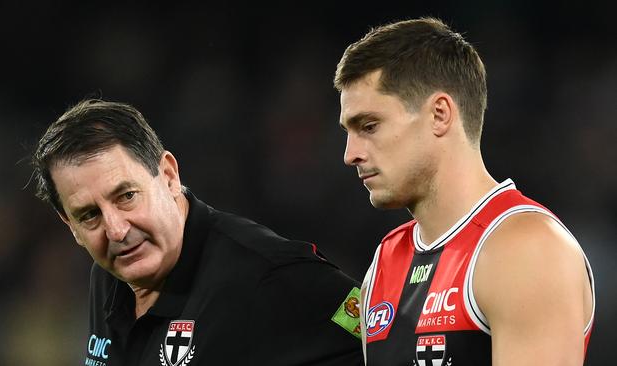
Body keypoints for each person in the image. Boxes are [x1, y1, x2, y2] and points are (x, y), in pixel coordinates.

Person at [334, 18, 595, 365]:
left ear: (440, 115)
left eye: (369, 126)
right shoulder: (383, 263)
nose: (350, 154)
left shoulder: (524, 248)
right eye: (349, 131)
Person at [31, 99, 364, 366]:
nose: (116, 230)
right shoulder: (107, 279)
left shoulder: (268, 274)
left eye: (126, 196)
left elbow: (386, 340)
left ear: (169, 176)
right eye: (90, 215)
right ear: (70, 226)